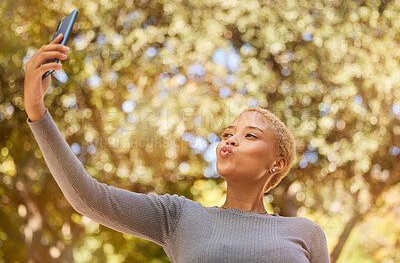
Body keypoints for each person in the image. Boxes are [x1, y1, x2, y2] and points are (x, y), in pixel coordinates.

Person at [24, 34, 330, 263]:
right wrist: (36, 109)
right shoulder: (179, 217)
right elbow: (87, 197)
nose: (230, 140)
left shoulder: (306, 233)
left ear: (276, 164)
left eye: (250, 136)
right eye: (227, 133)